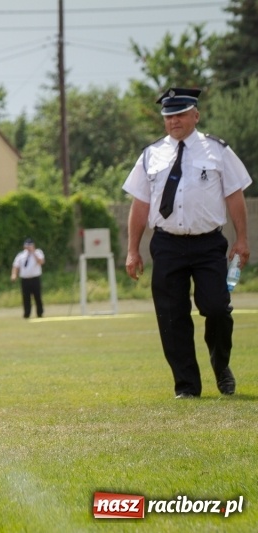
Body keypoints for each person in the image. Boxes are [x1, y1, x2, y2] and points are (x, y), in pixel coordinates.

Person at [123, 87, 252, 399]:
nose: (174, 121)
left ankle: (221, 365)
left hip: (208, 245)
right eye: (169, 116)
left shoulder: (217, 151)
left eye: (180, 114)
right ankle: (187, 386)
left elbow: (234, 196)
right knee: (171, 316)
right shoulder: (151, 155)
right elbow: (140, 206)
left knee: (217, 308)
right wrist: (132, 249)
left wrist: (242, 240)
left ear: (196, 115)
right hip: (167, 245)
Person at [10, 238, 45, 318]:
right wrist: (14, 274)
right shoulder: (21, 255)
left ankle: (40, 313)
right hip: (25, 279)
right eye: (26, 246)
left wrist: (33, 253)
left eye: (30, 245)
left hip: (35, 278)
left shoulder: (38, 253)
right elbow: (16, 266)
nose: (28, 247)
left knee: (37, 296)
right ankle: (27, 314)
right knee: (26, 297)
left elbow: (41, 262)